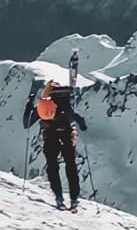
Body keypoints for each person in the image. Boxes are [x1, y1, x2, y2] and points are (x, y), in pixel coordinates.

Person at [22, 79, 89, 211]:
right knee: (71, 166)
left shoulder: (44, 106)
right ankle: (74, 199)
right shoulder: (65, 105)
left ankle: (59, 198)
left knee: (53, 166)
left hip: (50, 136)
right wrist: (80, 124)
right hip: (66, 135)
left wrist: (30, 102)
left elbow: (27, 123)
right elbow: (78, 120)